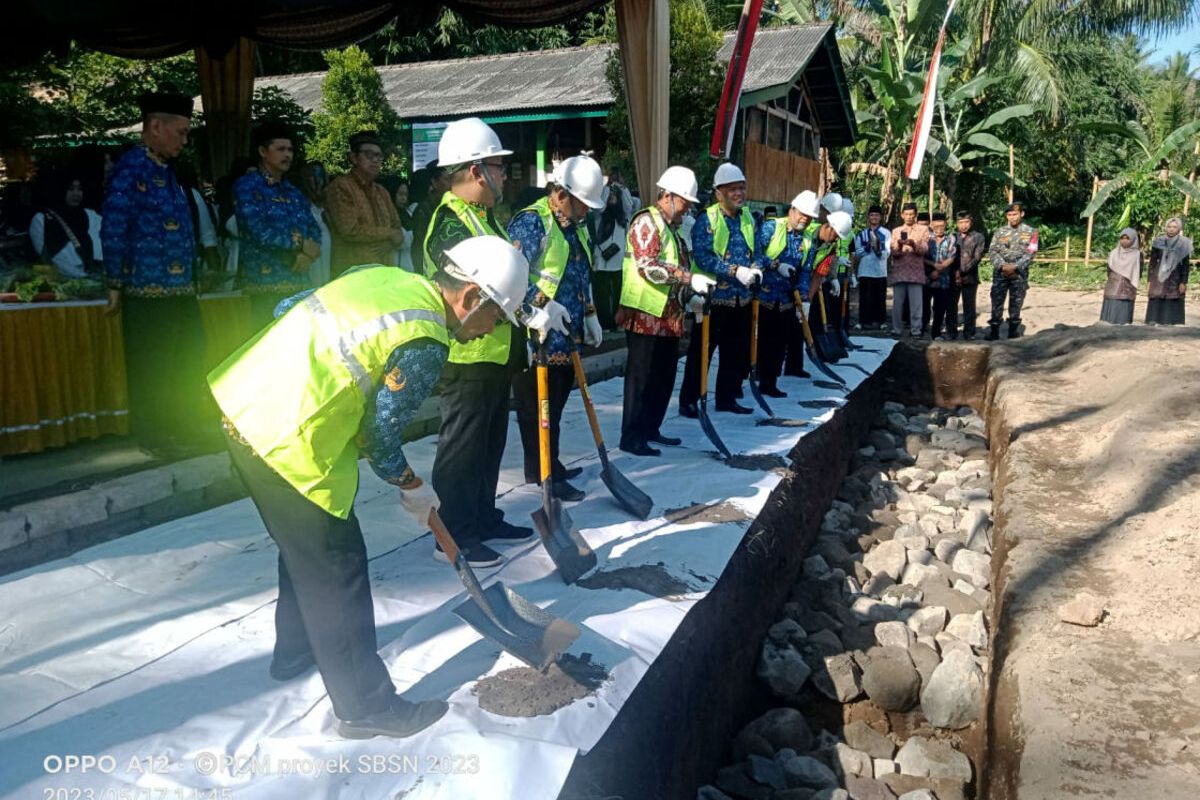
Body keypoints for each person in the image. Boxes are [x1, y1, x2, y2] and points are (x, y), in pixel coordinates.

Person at [208, 236, 528, 740]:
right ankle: (365, 707)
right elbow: (380, 437)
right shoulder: (426, 339)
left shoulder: (384, 278)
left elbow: (287, 306)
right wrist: (412, 487)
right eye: (497, 317)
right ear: (470, 298)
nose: (491, 330)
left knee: (304, 548)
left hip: (243, 400)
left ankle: (297, 651)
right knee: (338, 565)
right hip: (286, 435)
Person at [421, 117, 547, 567]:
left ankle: (482, 516)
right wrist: (527, 310)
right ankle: (454, 534)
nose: (502, 175)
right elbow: (474, 287)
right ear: (475, 170)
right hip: (467, 354)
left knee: (491, 442)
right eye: (497, 166)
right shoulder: (449, 225)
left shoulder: (484, 217)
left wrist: (532, 307)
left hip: (495, 352)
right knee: (462, 449)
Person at [101, 89, 209, 455]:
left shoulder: (170, 172)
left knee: (187, 361)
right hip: (146, 290)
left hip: (180, 289)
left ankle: (185, 428)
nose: (184, 139)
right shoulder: (130, 169)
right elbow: (114, 226)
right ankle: (155, 436)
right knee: (153, 367)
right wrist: (115, 282)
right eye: (180, 132)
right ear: (155, 126)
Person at [509, 155, 605, 501]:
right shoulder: (533, 223)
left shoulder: (575, 227)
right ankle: (543, 471)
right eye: (583, 203)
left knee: (557, 408)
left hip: (566, 335)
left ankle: (552, 464)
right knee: (539, 410)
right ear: (562, 194)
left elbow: (580, 273)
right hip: (537, 337)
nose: (587, 212)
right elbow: (510, 277)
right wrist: (542, 303)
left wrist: (591, 313)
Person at [617, 166, 714, 456]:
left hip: (669, 316)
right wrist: (688, 279)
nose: (687, 209)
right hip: (645, 313)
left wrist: (688, 297)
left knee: (663, 375)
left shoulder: (672, 229)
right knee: (640, 376)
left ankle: (650, 428)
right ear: (669, 196)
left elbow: (676, 268)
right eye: (685, 202)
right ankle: (632, 435)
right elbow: (648, 267)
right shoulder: (647, 222)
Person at [680, 163, 761, 416]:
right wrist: (735, 270)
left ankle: (726, 397)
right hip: (713, 298)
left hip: (742, 298)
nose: (739, 193)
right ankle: (689, 400)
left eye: (741, 188)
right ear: (719, 193)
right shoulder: (707, 219)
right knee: (701, 353)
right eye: (732, 189)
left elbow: (756, 249)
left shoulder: (748, 217)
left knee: (735, 352)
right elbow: (704, 257)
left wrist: (757, 267)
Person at [233, 122, 322, 329]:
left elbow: (313, 228)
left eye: (290, 150)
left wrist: (309, 253)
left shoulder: (293, 191)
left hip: (299, 283)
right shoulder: (247, 186)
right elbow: (258, 231)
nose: (287, 155)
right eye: (281, 149)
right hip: (264, 285)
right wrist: (300, 245)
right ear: (263, 151)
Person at [754, 192, 816, 396]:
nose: (804, 219)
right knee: (760, 341)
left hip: (787, 299)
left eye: (809, 217)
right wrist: (775, 265)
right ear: (792, 210)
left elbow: (806, 270)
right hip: (762, 297)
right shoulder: (772, 228)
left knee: (779, 344)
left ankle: (769, 383)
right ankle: (751, 379)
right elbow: (755, 254)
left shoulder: (807, 241)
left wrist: (804, 298)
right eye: (801, 214)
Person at [326, 131, 404, 278]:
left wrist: (389, 244)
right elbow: (350, 230)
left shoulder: (382, 192)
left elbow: (398, 230)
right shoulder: (341, 187)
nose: (375, 160)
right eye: (369, 155)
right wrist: (389, 234)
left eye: (378, 156)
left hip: (384, 271)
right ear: (354, 158)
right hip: (352, 273)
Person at [29, 170, 103, 278]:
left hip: (95, 280)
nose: (76, 194)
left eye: (80, 189)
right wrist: (82, 277)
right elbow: (53, 259)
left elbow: (103, 248)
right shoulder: (42, 220)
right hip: (63, 285)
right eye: (71, 189)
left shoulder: (90, 216)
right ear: (59, 190)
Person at [804, 210, 854, 356]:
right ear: (828, 226)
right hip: (785, 279)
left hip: (807, 280)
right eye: (836, 235)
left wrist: (808, 299)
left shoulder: (831, 245)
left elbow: (819, 273)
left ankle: (795, 365)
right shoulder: (806, 233)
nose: (836, 239)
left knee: (804, 318)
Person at [986, 202, 1037, 340]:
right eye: (1009, 215)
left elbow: (1031, 253)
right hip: (1000, 273)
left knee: (1016, 302)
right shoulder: (999, 232)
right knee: (997, 301)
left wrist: (1015, 267)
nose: (1012, 217)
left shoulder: (1031, 232)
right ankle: (994, 331)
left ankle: (1013, 331)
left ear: (1022, 214)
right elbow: (992, 251)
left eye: (1015, 214)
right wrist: (1002, 266)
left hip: (1019, 273)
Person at [592, 170, 635, 330]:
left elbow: (629, 206)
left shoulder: (622, 218)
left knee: (618, 293)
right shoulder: (599, 216)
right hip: (601, 258)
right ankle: (604, 322)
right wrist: (607, 189)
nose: (612, 199)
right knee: (601, 294)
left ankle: (617, 322)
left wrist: (622, 189)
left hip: (618, 259)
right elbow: (600, 207)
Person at [889, 202, 929, 338]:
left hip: (916, 272)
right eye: (906, 214)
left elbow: (924, 250)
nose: (909, 217)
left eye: (912, 214)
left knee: (916, 305)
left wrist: (914, 244)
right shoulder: (896, 231)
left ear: (916, 215)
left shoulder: (923, 230)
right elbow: (893, 252)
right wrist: (899, 246)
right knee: (897, 304)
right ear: (902, 215)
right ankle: (896, 329)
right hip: (899, 272)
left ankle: (916, 331)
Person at [1145, 217, 1192, 325]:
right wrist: (1149, 280)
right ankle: (1154, 319)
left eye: (1174, 227)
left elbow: (1185, 264)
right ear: (1166, 228)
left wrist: (1183, 282)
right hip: (1159, 275)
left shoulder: (1184, 243)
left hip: (1175, 275)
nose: (1171, 229)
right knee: (1157, 295)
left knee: (1173, 296)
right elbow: (1152, 262)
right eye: (1169, 227)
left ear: (1179, 228)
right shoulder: (1158, 242)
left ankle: (1171, 320)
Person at [851, 204, 889, 330]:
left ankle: (881, 321)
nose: (874, 217)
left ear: (881, 217)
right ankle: (863, 321)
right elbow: (857, 252)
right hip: (865, 269)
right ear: (868, 217)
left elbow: (888, 252)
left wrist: (879, 251)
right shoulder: (862, 234)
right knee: (865, 297)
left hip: (880, 270)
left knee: (880, 297)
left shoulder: (886, 233)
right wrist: (867, 248)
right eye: (872, 215)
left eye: (877, 215)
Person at [298, 162, 333, 288]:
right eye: (314, 183)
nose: (320, 187)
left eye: (323, 182)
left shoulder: (326, 211)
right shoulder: (301, 210)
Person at [924, 212, 958, 339]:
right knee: (924, 306)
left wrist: (939, 269)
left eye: (942, 226)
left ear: (946, 225)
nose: (939, 229)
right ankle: (922, 330)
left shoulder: (951, 239)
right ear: (932, 225)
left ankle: (936, 333)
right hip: (927, 278)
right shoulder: (926, 238)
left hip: (943, 280)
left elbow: (952, 257)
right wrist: (933, 265)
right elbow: (921, 257)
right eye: (936, 226)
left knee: (940, 308)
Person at [953, 211, 986, 338]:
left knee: (969, 306)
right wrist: (955, 272)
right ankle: (952, 331)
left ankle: (969, 332)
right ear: (956, 223)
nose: (963, 225)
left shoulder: (978, 237)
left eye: (966, 222)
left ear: (971, 222)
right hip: (953, 277)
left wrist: (961, 271)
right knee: (951, 306)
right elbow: (949, 255)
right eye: (960, 222)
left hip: (970, 277)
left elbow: (977, 258)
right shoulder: (952, 236)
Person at [1100, 228, 1141, 325]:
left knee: (1123, 306)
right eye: (1122, 238)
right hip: (1112, 284)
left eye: (1128, 238)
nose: (1124, 240)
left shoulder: (1137, 254)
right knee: (1111, 306)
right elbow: (1109, 270)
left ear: (1134, 240)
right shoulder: (1114, 253)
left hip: (1128, 286)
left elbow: (1139, 270)